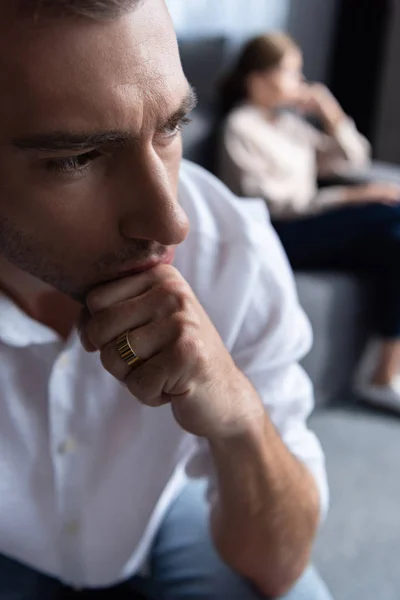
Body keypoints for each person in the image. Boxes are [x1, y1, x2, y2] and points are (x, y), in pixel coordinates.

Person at [0, 3, 332, 599]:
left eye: (171, 127)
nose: (171, 222)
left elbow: (281, 565)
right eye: (76, 158)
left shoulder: (235, 253)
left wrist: (238, 420)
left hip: (159, 515)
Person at [218, 32, 400, 412]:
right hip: (281, 233)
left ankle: (384, 372)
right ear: (258, 77)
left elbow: (354, 159)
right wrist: (347, 196)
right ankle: (383, 374)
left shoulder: (290, 127)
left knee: (394, 240)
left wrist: (329, 112)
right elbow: (269, 203)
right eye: (291, 72)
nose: (301, 83)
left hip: (315, 223)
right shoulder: (240, 128)